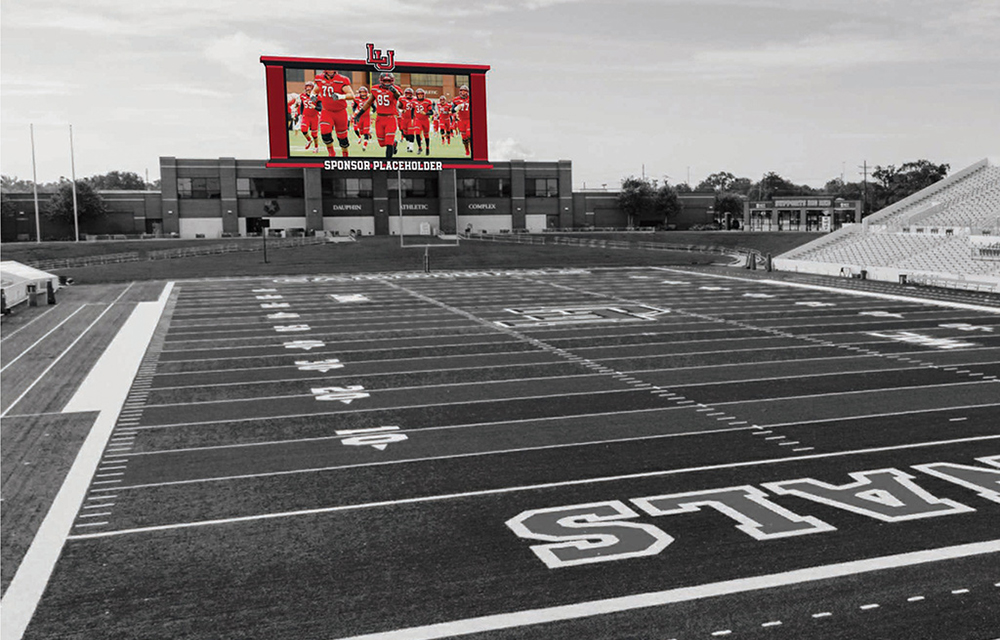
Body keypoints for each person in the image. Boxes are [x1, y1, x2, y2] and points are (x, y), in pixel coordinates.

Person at [353, 72, 403, 158]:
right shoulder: (375, 89)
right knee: (382, 143)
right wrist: (359, 114)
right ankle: (394, 142)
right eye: (385, 81)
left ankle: (388, 164)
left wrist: (395, 92)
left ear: (392, 81)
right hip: (379, 119)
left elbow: (401, 101)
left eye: (389, 81)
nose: (387, 83)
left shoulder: (396, 89)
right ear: (381, 81)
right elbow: (369, 103)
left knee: (388, 143)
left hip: (390, 118)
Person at [311, 69, 356, 157]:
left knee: (342, 137)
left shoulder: (341, 80)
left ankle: (345, 154)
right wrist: (313, 95)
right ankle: (331, 153)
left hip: (340, 112)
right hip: (327, 111)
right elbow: (315, 90)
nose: (331, 71)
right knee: (325, 132)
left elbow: (352, 95)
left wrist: (340, 96)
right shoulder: (319, 79)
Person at [297, 81, 320, 152]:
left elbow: (320, 108)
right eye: (307, 89)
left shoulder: (316, 97)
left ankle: (316, 147)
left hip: (314, 117)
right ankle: (309, 140)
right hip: (306, 116)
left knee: (314, 134)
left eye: (310, 89)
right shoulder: (303, 96)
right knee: (303, 129)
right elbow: (302, 105)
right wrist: (301, 113)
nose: (308, 91)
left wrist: (315, 107)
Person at [411, 88, 434, 156]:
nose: (420, 96)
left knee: (426, 135)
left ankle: (427, 148)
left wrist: (426, 113)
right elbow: (412, 110)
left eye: (421, 95)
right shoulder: (414, 101)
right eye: (419, 95)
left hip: (425, 120)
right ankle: (419, 147)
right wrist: (412, 118)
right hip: (418, 120)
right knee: (417, 133)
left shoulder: (427, 101)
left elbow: (431, 112)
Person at [451, 84, 472, 156]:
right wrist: (457, 108)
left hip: (469, 119)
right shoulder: (456, 100)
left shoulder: (471, 98)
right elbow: (452, 110)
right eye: (462, 91)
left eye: (465, 91)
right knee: (464, 138)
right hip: (461, 120)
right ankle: (467, 151)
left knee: (469, 134)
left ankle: (473, 150)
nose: (463, 93)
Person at [351, 85, 372, 152]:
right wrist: (354, 111)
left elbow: (374, 107)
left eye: (364, 92)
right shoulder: (356, 98)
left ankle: (364, 146)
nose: (363, 94)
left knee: (365, 132)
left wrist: (372, 112)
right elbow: (354, 106)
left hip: (366, 117)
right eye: (361, 92)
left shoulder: (369, 98)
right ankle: (360, 137)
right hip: (359, 116)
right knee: (358, 130)